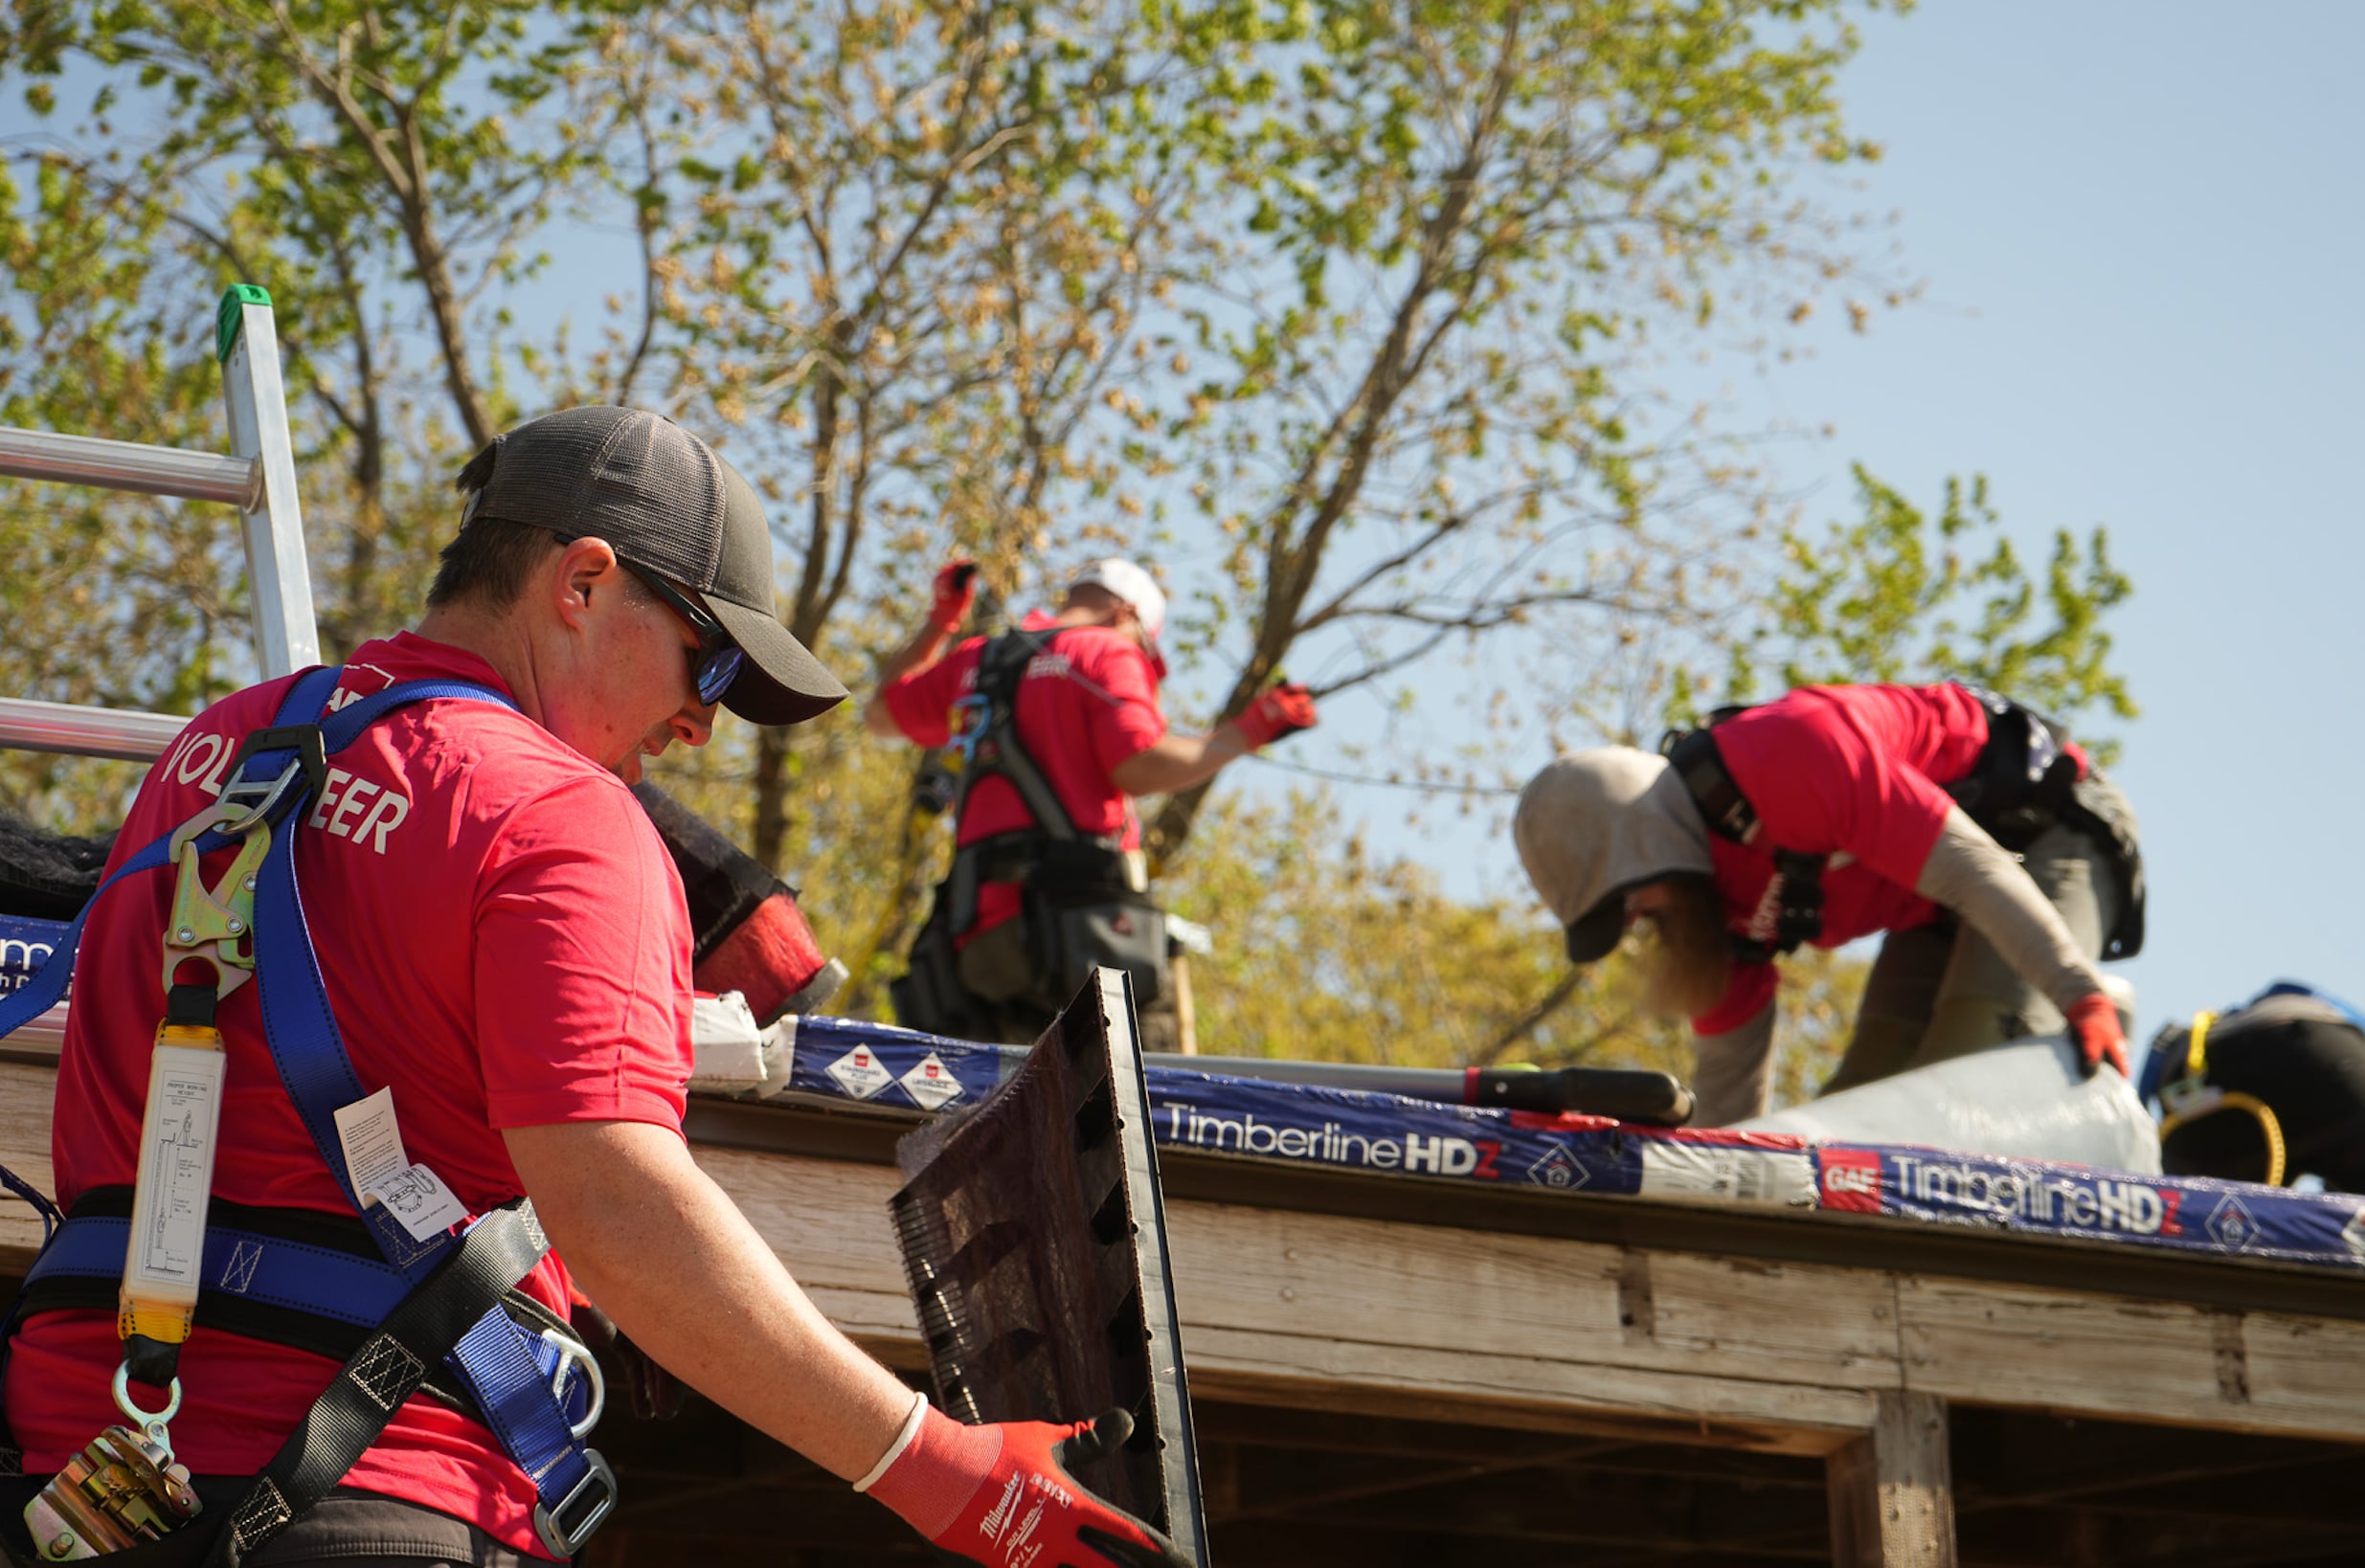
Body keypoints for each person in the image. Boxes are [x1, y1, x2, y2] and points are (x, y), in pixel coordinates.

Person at [0, 408, 1185, 1567]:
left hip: (72, 1474)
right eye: (708, 658)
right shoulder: (561, 817)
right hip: (369, 1494)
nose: (701, 725)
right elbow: (614, 1206)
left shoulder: (221, 746)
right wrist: (944, 1472)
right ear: (581, 584)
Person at [1511, 682, 2144, 1127]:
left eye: (1623, 899)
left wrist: (2077, 993)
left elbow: (1973, 872)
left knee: (1963, 1082)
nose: (1632, 923)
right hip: (1936, 912)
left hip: (2043, 837)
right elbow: (1729, 1096)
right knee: (1857, 1123)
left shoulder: (1791, 755)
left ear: (1648, 843)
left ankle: (2085, 1018)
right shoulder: (1707, 921)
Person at [866, 558, 1317, 1046]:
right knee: (1144, 1098)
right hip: (1082, 938)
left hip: (978, 942)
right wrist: (1250, 730)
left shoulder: (977, 661)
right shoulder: (1106, 650)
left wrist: (942, 620)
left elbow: (881, 715)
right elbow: (1139, 764)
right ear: (1126, 614)